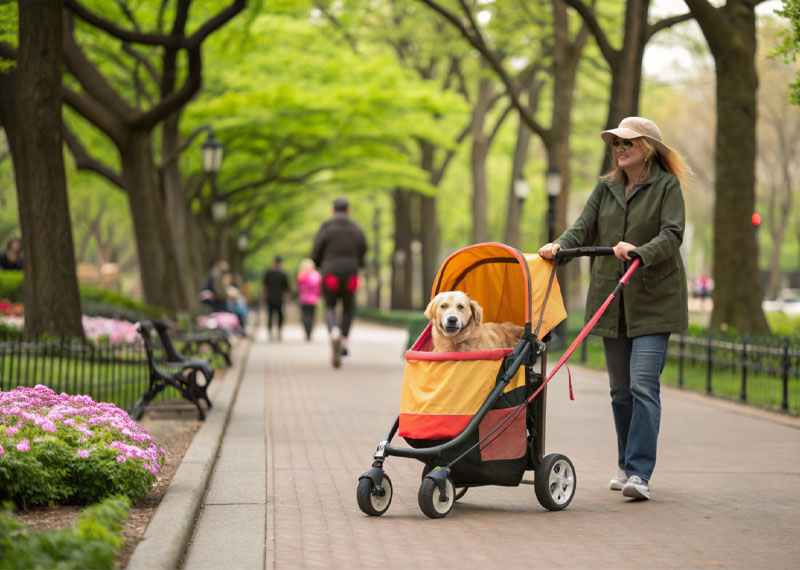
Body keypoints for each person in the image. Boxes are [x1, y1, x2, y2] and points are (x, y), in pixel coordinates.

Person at [538, 117, 690, 501]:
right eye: (616, 143)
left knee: (642, 385)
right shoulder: (605, 188)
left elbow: (672, 234)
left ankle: (639, 472)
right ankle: (625, 465)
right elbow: (582, 228)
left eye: (628, 143)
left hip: (655, 302)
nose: (620, 149)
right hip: (613, 300)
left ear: (647, 148)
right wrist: (558, 247)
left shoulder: (666, 186)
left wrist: (640, 251)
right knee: (620, 391)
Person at [311, 197, 367, 368]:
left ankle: (333, 331)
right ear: (348, 211)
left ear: (332, 210)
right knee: (348, 308)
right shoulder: (356, 229)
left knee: (329, 306)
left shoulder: (326, 228)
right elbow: (363, 249)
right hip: (351, 274)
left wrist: (320, 265)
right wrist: (359, 264)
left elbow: (316, 251)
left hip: (331, 273)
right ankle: (343, 342)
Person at [262, 256, 289, 341]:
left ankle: (278, 331)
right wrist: (263, 296)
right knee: (272, 315)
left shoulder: (281, 274)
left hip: (277, 298)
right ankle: (271, 331)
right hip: (272, 298)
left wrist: (286, 298)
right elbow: (265, 286)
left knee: (278, 315)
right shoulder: (270, 274)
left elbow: (285, 288)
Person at [296, 258, 322, 342]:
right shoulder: (316, 275)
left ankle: (307, 332)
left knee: (305, 316)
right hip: (313, 299)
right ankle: (309, 333)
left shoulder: (301, 275)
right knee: (312, 316)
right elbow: (318, 287)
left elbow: (298, 287)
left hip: (303, 298)